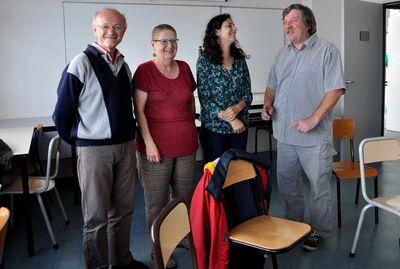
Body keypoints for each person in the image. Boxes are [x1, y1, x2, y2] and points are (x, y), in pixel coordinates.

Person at [53, 8, 148, 269]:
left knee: (123, 210)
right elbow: (62, 114)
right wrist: (82, 141)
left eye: (117, 27)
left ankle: (121, 260)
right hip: (95, 152)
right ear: (94, 29)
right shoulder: (80, 63)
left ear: (124, 32)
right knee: (96, 217)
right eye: (105, 26)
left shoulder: (123, 65)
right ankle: (97, 265)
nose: (111, 31)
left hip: (125, 148)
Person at [262, 4, 345, 251]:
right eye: (285, 21)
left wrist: (313, 119)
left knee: (319, 187)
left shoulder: (326, 51)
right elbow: (271, 85)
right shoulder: (282, 53)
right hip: (285, 135)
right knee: (288, 186)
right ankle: (294, 226)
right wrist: (267, 104)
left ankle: (319, 231)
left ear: (308, 23)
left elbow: (336, 89)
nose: (288, 25)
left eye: (293, 20)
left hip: (314, 138)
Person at [133, 24, 198, 268]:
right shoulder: (144, 71)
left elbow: (190, 101)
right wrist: (149, 143)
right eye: (163, 41)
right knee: (157, 202)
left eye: (173, 40)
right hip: (155, 149)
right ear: (153, 45)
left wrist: (191, 128)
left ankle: (179, 238)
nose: (169, 46)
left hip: (186, 145)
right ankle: (159, 249)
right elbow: (139, 110)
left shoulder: (184, 68)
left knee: (183, 199)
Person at [197, 13, 253, 163]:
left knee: (236, 174)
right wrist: (231, 119)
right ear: (217, 32)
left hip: (239, 129)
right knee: (216, 177)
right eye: (229, 25)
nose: (235, 28)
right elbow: (205, 99)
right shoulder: (205, 61)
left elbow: (247, 94)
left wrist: (237, 109)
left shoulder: (240, 60)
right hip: (215, 130)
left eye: (234, 25)